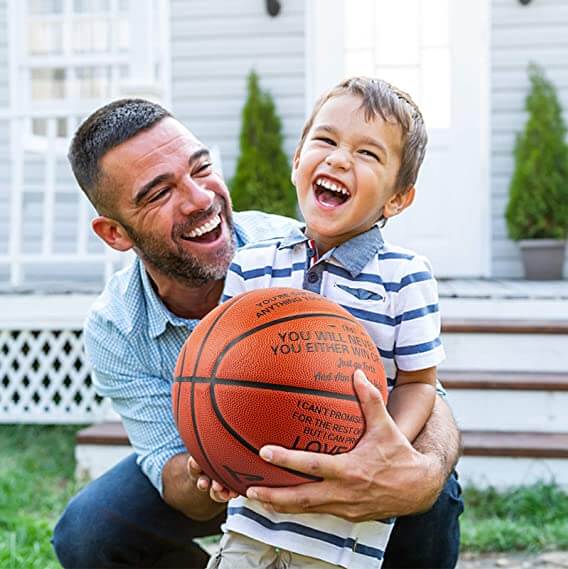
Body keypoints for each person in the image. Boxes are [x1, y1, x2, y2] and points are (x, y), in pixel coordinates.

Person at [52, 98, 463, 569]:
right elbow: (172, 474)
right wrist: (209, 464)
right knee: (88, 533)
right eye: (158, 193)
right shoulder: (115, 328)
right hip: (228, 467)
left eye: (201, 168)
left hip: (332, 444)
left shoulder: (306, 247)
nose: (200, 199)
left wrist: (420, 473)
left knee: (428, 488)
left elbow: (422, 389)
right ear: (114, 233)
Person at [198, 76, 449, 569]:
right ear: (297, 161)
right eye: (326, 140)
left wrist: (383, 449)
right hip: (254, 513)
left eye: (367, 154)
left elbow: (420, 382)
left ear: (398, 199)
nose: (338, 159)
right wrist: (211, 444)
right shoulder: (251, 264)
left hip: (343, 530)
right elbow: (215, 372)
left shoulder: (405, 277)